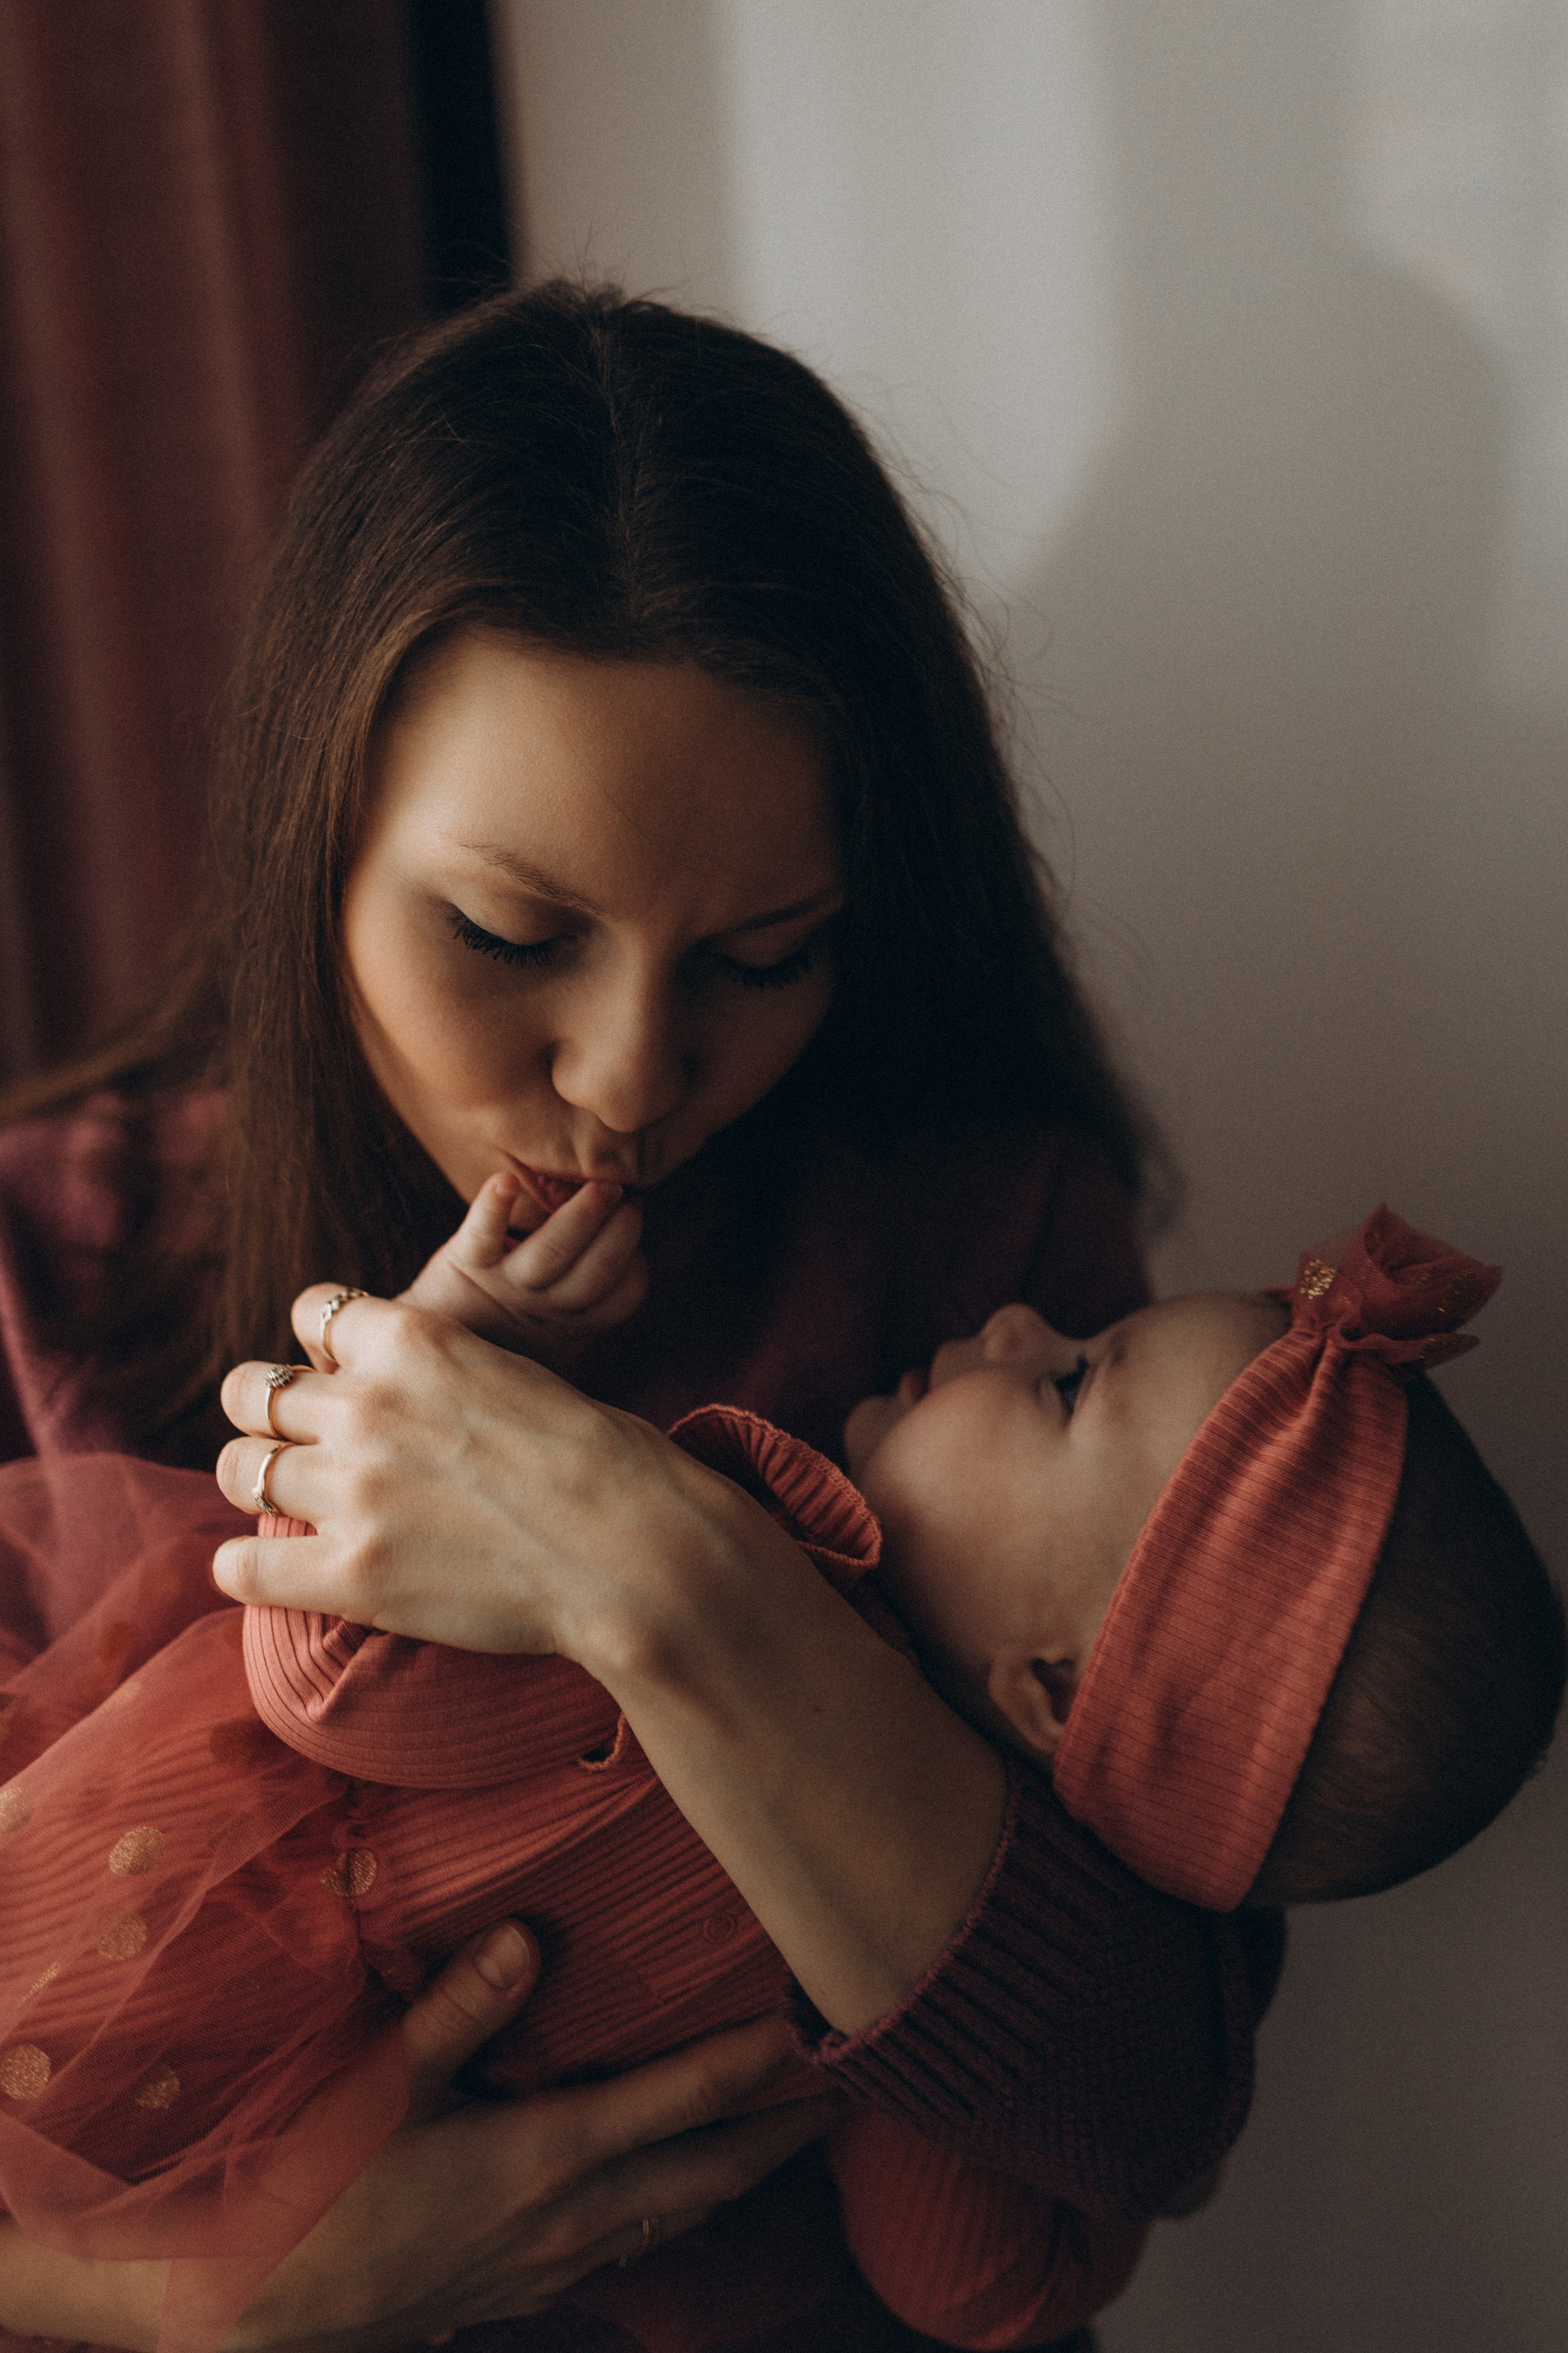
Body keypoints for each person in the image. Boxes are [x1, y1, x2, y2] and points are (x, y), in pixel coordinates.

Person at [0, 281, 1295, 2349]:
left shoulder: (991, 1281)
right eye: (512, 935)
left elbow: (1135, 2116)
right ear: (309, 836)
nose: (624, 1076)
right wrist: (152, 2307)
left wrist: (656, 1570)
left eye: (762, 956)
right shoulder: (50, 1250)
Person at [0, 1206, 1558, 2353]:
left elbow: (324, 1674)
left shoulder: (778, 1575)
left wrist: (450, 1388)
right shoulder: (873, 1972)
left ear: (1058, 1688)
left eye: (1071, 1381)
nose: (1021, 1319)